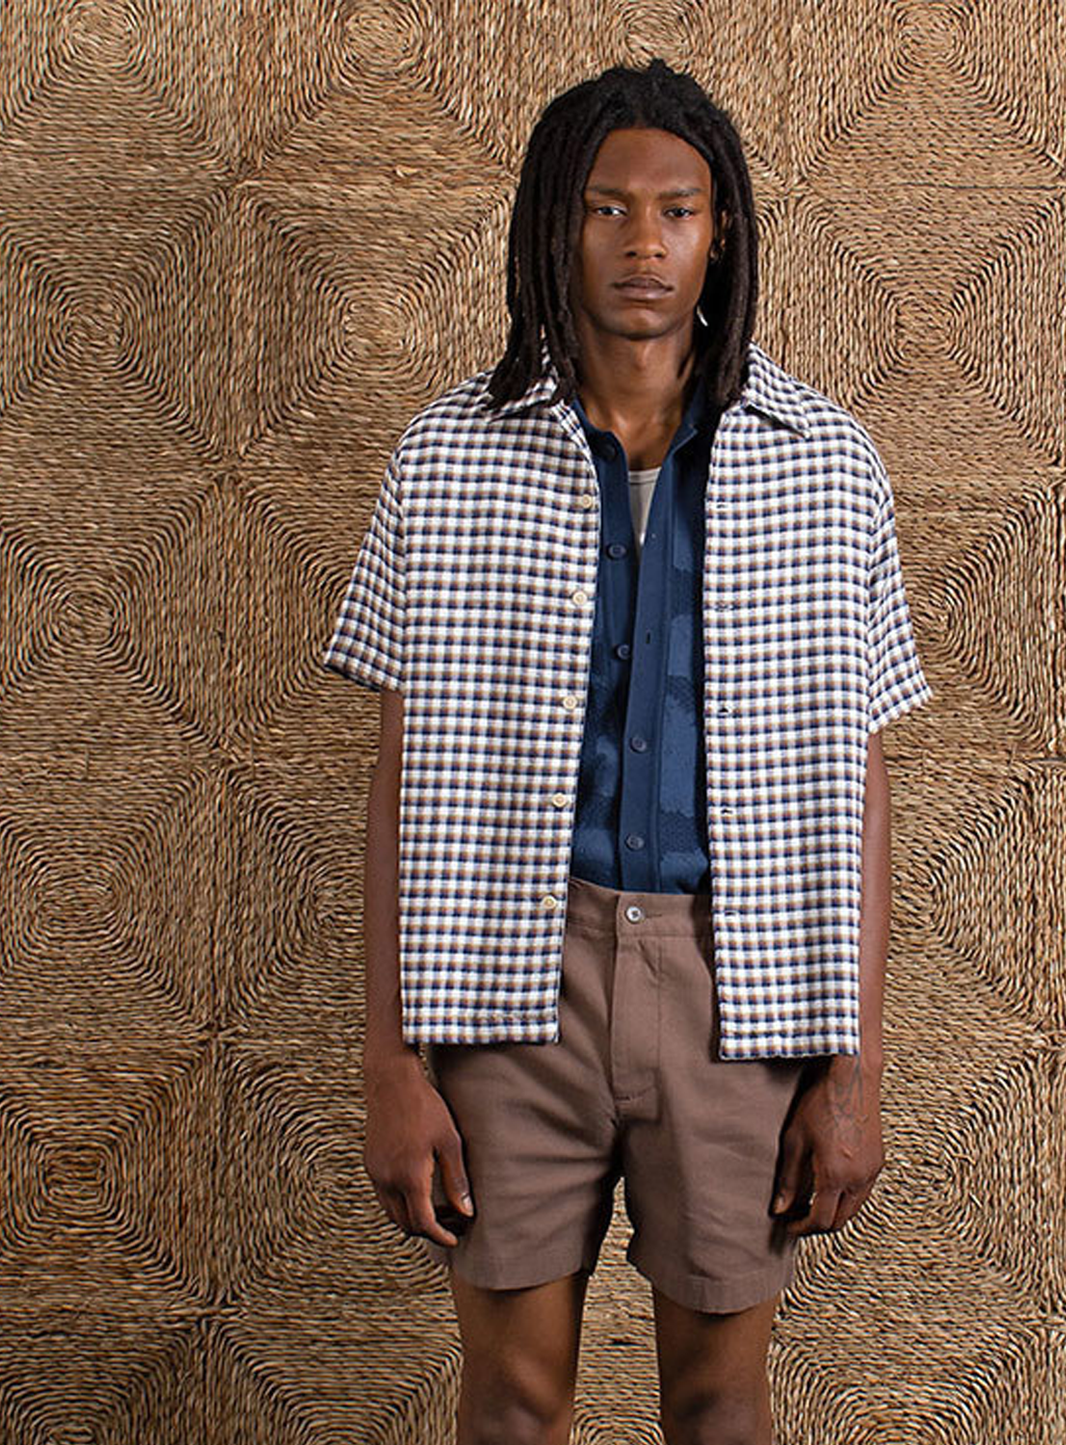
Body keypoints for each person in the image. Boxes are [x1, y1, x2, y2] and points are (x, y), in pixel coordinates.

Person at [324, 57, 933, 1445]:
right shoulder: (448, 458)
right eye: (605, 208)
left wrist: (852, 1071)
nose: (642, 242)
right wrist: (393, 1062)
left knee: (721, 1405)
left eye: (677, 210)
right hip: (506, 982)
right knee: (513, 1401)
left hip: (738, 983)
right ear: (557, 226)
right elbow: (401, 773)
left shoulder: (827, 465)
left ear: (722, 234)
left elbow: (858, 779)